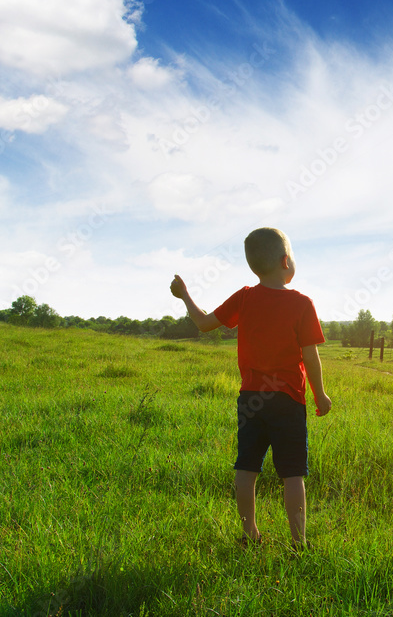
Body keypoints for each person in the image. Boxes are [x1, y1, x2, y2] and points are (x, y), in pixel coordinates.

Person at [170, 227, 331, 549]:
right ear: (286, 261)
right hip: (288, 400)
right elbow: (310, 357)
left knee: (246, 467)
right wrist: (320, 394)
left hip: (251, 399)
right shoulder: (302, 303)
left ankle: (249, 535)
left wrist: (185, 295)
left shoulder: (244, 297)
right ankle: (298, 542)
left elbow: (203, 324)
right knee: (292, 473)